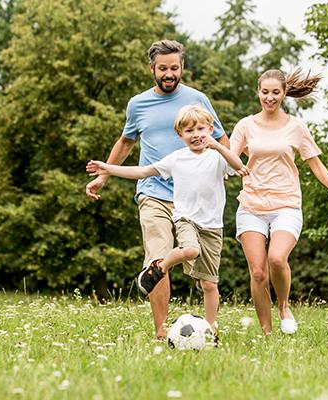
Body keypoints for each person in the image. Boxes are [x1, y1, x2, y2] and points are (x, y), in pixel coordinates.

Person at [85, 40, 229, 339]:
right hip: (153, 193)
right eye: (163, 68)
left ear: (182, 67)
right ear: (152, 69)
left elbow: (222, 140)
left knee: (203, 270)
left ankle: (209, 328)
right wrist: (103, 176)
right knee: (158, 259)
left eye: (174, 68)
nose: (169, 74)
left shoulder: (197, 100)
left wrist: (224, 169)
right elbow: (126, 143)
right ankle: (162, 331)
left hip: (193, 198)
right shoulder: (138, 104)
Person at [88, 105, 247, 332]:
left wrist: (219, 147)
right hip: (186, 219)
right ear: (179, 135)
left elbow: (238, 166)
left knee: (209, 283)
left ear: (211, 129)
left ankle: (211, 330)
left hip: (212, 225)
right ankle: (160, 267)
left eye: (201, 129)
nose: (196, 135)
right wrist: (108, 169)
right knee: (191, 250)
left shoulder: (218, 157)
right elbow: (143, 172)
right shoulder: (177, 159)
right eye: (189, 131)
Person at [230, 68, 328, 335]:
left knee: (277, 259)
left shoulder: (296, 126)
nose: (269, 98)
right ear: (258, 92)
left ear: (284, 94)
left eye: (275, 92)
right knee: (258, 272)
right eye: (264, 92)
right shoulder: (245, 125)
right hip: (251, 204)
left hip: (286, 203)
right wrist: (229, 165)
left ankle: (283, 306)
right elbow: (230, 158)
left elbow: (315, 163)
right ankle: (267, 333)